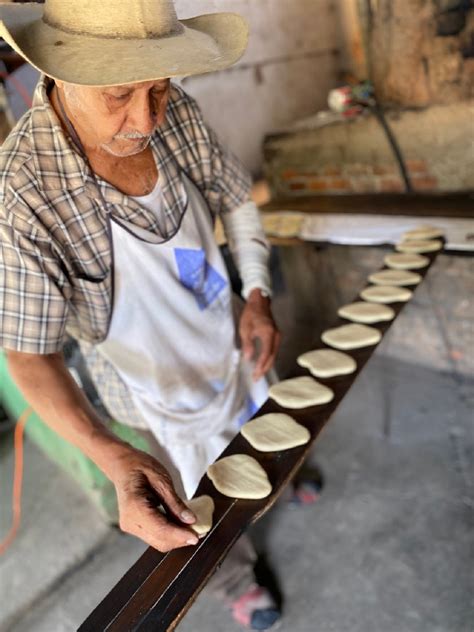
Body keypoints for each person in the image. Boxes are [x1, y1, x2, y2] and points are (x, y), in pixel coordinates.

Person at [0, 1, 283, 629]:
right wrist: (109, 453)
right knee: (194, 506)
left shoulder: (174, 112)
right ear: (63, 73)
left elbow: (235, 198)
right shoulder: (25, 193)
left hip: (226, 328)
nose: (145, 118)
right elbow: (28, 354)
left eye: (157, 88)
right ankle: (236, 581)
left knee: (267, 426)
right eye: (120, 94)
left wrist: (257, 293)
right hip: (152, 390)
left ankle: (288, 473)